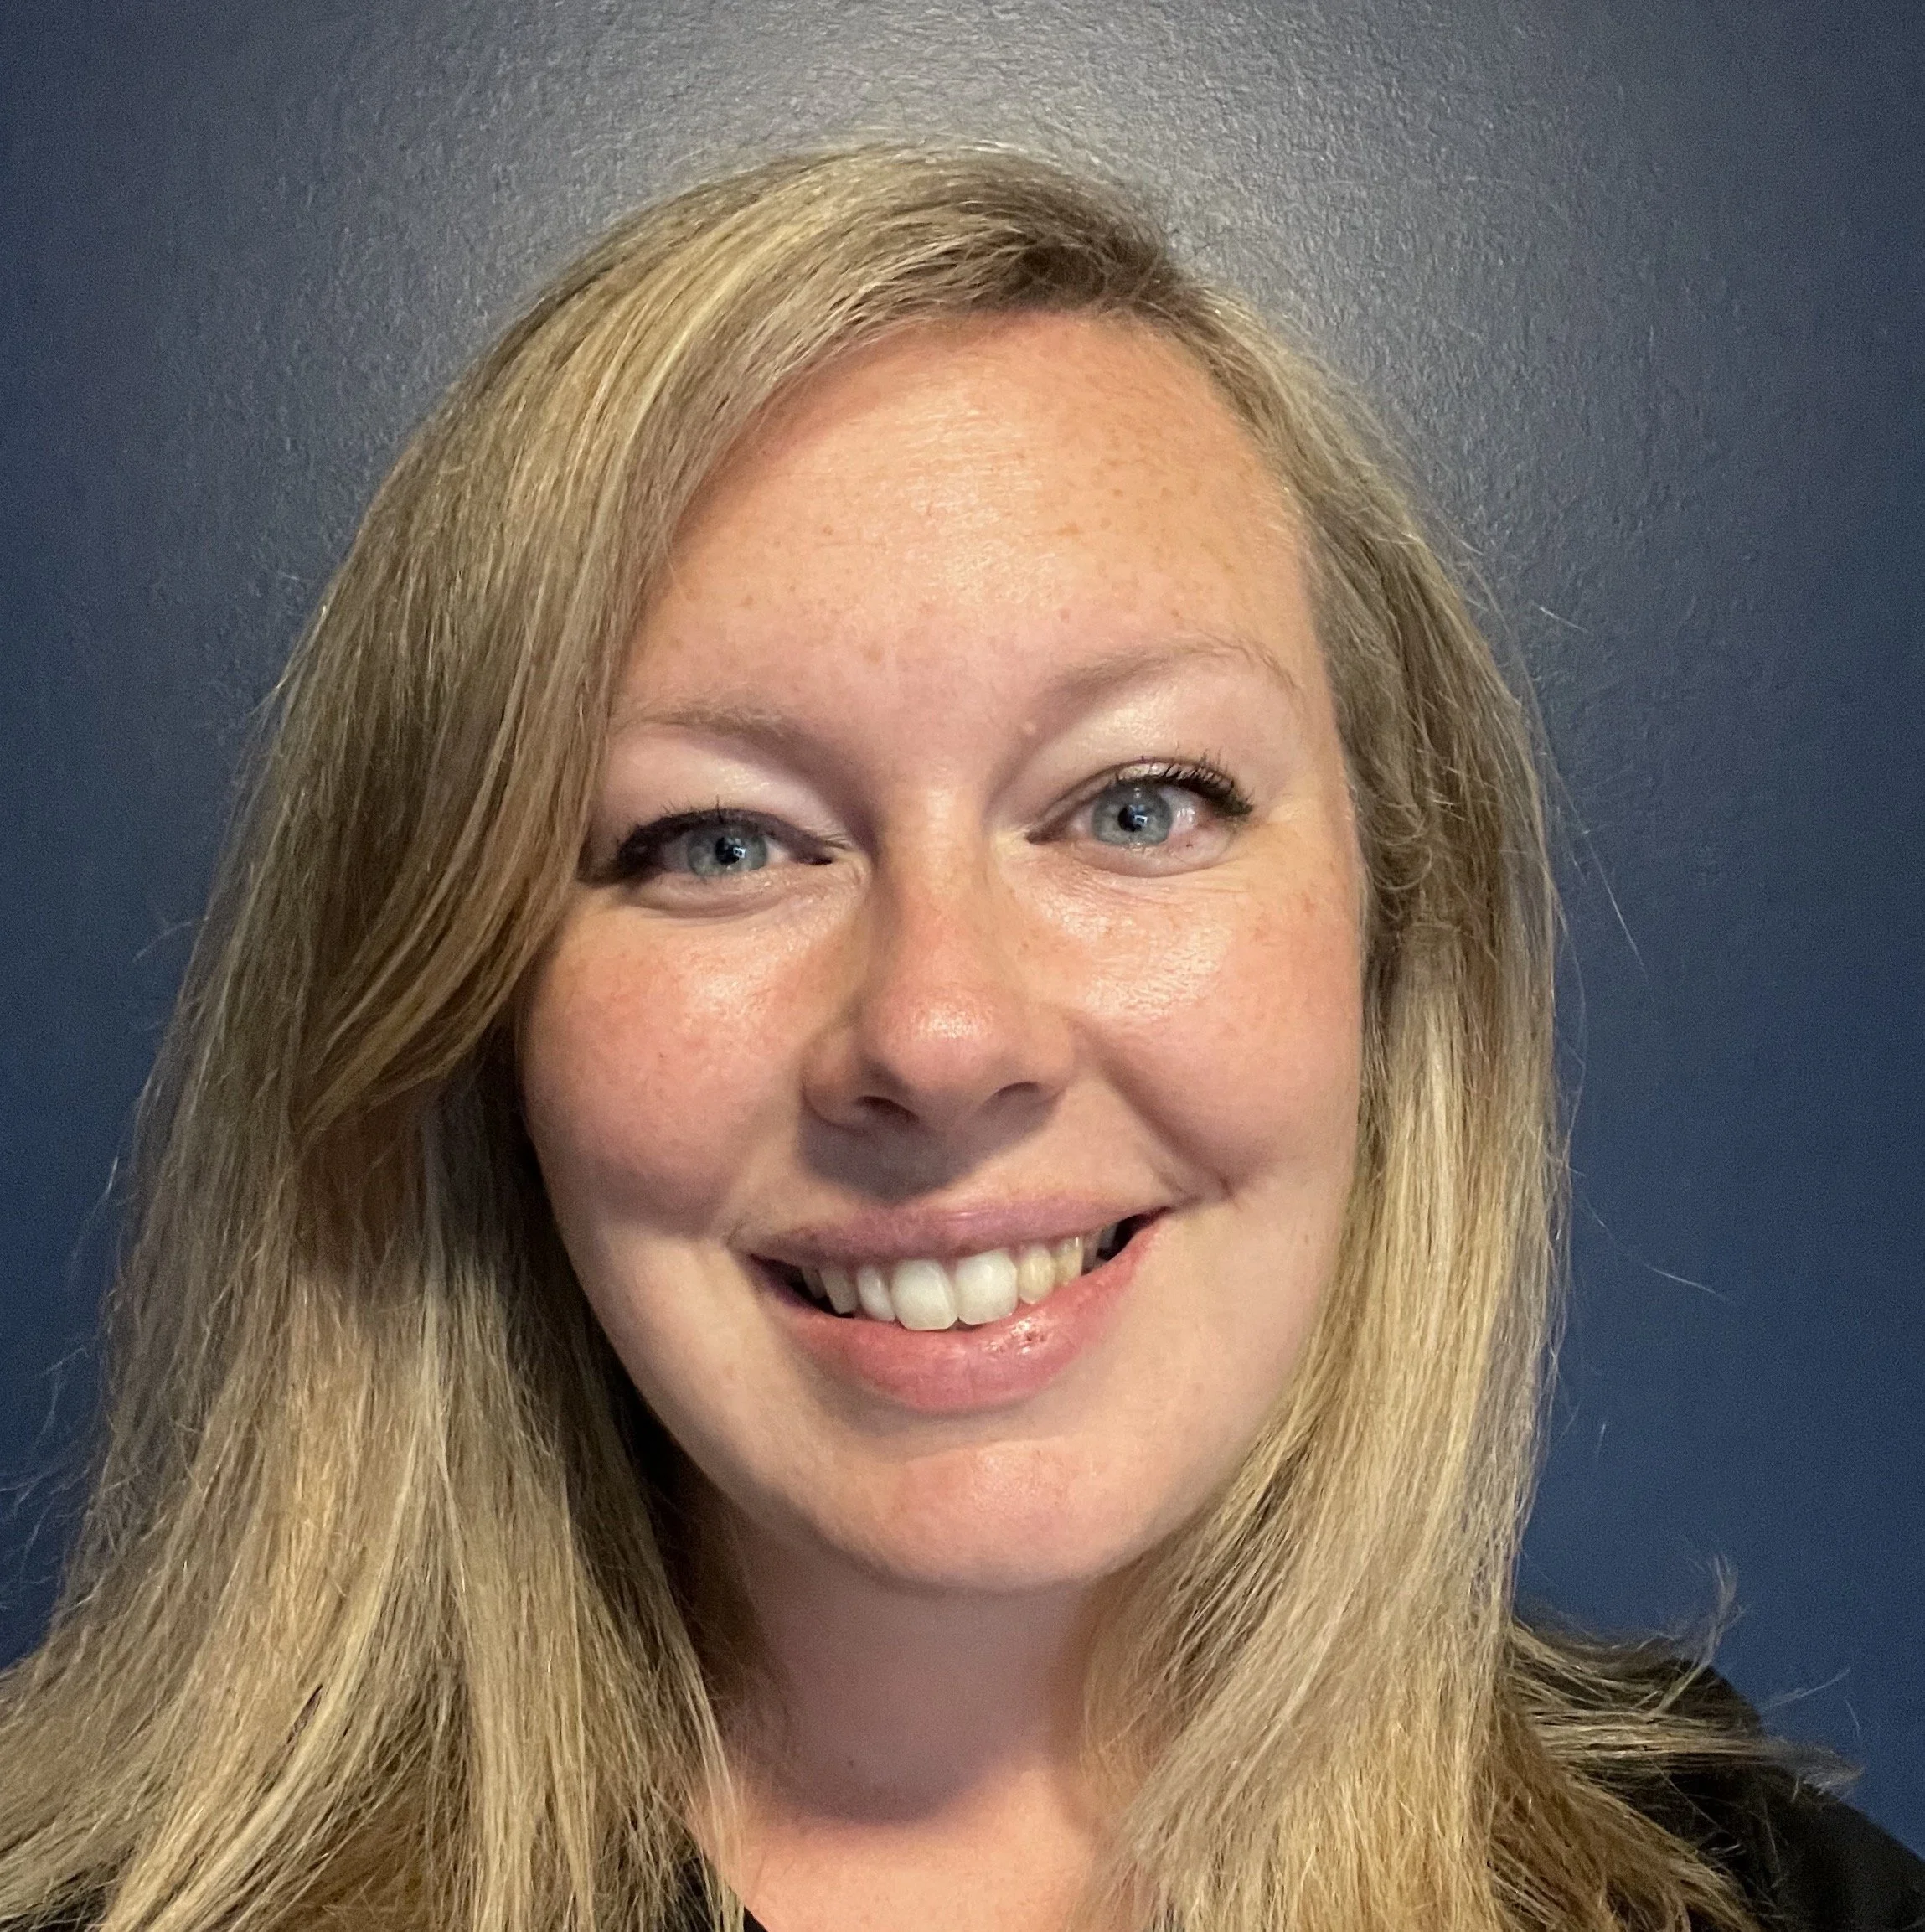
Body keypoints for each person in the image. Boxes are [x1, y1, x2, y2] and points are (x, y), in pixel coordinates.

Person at [0, 144, 1916, 1932]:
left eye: (1138, 802)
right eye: (718, 840)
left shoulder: (1740, 1889)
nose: (936, 1030)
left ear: (1391, 928)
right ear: (468, 1010)